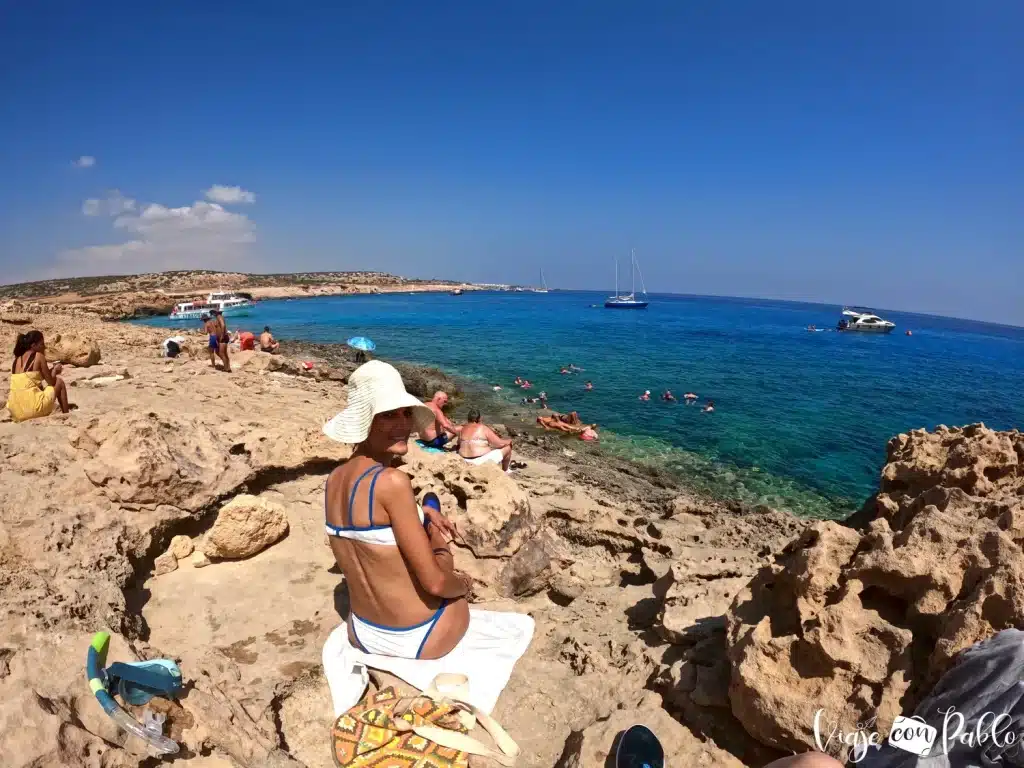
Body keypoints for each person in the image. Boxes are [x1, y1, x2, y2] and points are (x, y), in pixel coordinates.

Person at [322, 361, 470, 659]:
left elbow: (369, 533)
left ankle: (427, 509)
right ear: (365, 421)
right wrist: (463, 584)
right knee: (441, 553)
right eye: (389, 415)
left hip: (360, 632)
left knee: (427, 510)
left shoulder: (334, 480)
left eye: (405, 413)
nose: (403, 425)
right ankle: (429, 516)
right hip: (419, 636)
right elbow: (436, 583)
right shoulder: (392, 482)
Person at [7, 330, 70, 421]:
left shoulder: (16, 360)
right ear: (33, 345)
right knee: (59, 382)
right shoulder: (39, 356)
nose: (44, 347)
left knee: (38, 387)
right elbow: (51, 382)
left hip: (15, 412)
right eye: (41, 344)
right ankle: (67, 415)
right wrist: (55, 370)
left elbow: (32, 378)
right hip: (31, 410)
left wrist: (51, 370)